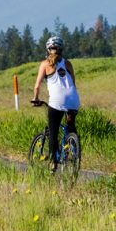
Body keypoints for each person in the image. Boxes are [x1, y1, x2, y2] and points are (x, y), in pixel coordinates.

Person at [31, 36, 80, 169]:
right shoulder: (68, 63)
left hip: (57, 100)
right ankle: (73, 147)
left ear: (48, 49)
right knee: (70, 126)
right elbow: (73, 84)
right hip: (74, 99)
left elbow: (37, 86)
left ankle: (53, 162)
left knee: (53, 132)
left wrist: (36, 98)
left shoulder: (45, 64)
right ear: (62, 50)